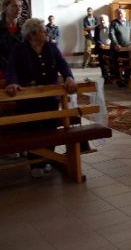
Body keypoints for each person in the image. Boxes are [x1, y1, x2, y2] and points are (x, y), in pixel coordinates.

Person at [5, 18, 77, 178]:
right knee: (33, 130)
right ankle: (35, 163)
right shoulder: (19, 49)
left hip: (50, 98)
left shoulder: (51, 47)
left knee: (50, 128)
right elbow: (12, 69)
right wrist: (13, 83)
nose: (46, 32)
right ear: (32, 34)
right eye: (43, 30)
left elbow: (62, 64)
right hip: (29, 100)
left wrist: (68, 77)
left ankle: (47, 160)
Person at [0, 0, 24, 78]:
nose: (18, 9)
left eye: (20, 6)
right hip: (3, 71)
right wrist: (9, 67)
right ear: (5, 8)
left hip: (21, 71)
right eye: (14, 6)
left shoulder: (24, 29)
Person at [110, 9, 131, 87]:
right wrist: (116, 44)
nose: (120, 15)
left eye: (121, 13)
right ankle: (118, 80)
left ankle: (127, 79)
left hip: (127, 48)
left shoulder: (129, 23)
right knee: (115, 64)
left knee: (128, 63)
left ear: (125, 14)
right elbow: (111, 34)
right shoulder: (113, 23)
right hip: (116, 48)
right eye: (118, 13)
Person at [94, 14, 111, 81]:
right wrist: (100, 44)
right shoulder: (97, 28)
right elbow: (96, 38)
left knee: (111, 61)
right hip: (101, 48)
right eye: (100, 20)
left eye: (103, 20)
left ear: (107, 20)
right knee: (102, 62)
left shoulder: (111, 26)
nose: (102, 22)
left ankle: (112, 76)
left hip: (110, 47)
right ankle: (105, 77)